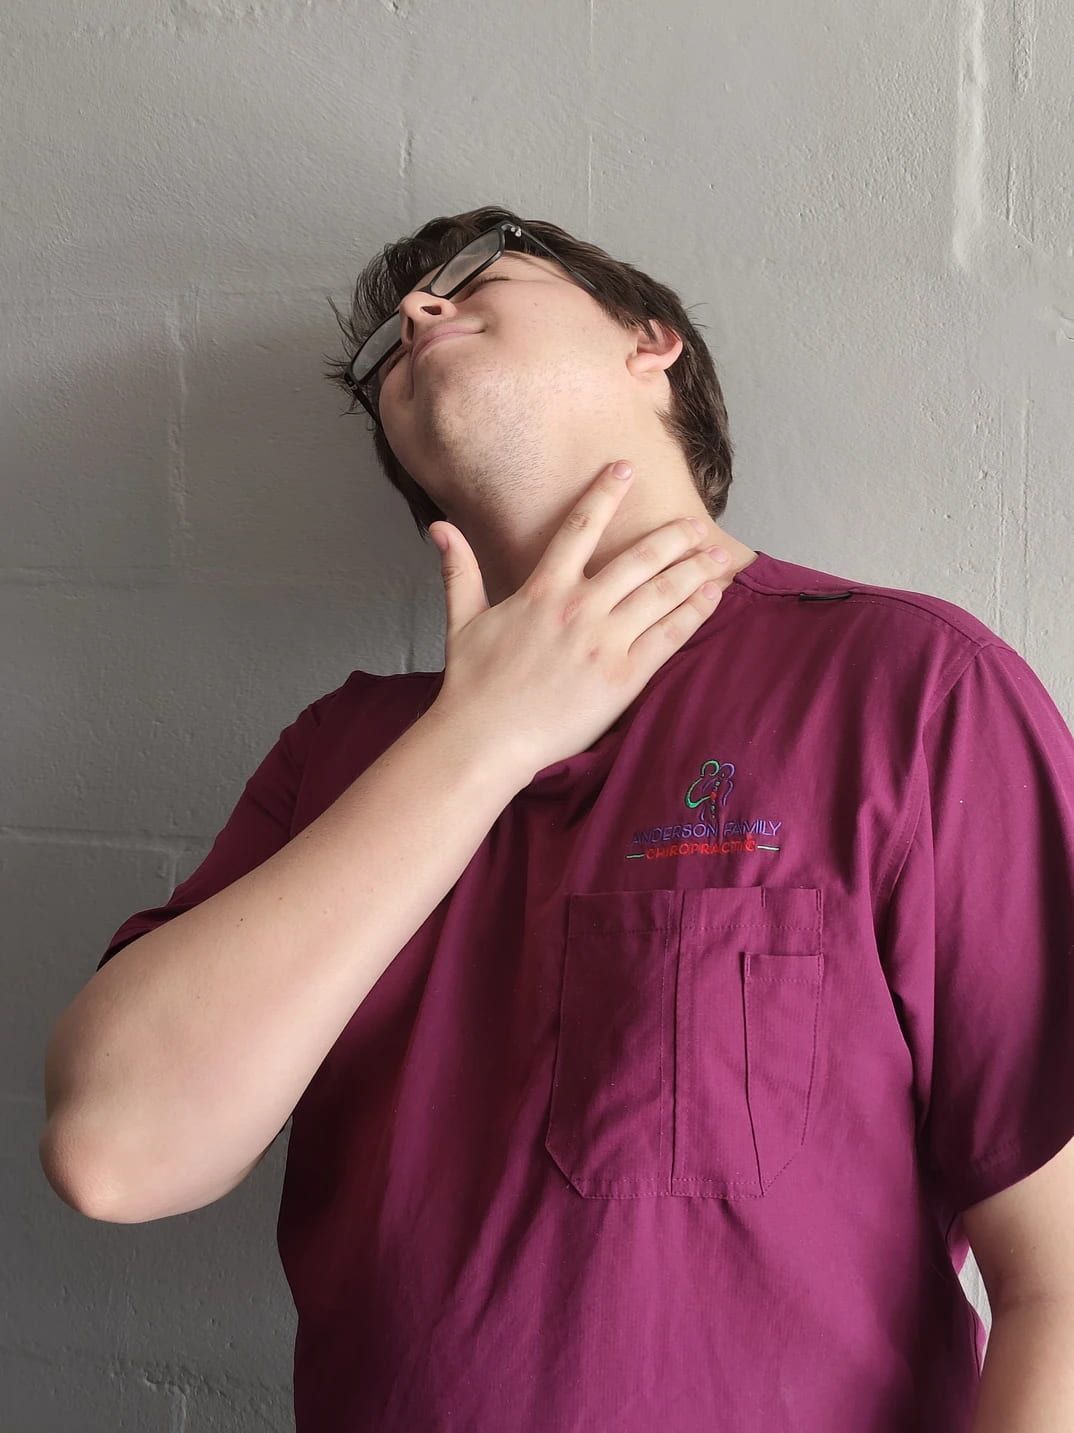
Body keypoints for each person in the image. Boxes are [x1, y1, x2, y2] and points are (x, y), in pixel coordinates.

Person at [42, 207, 1074, 1432]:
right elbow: (116, 1150)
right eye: (382, 350)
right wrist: (486, 735)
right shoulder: (339, 751)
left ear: (654, 341)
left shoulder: (907, 684)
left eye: (473, 279)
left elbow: (1058, 1281)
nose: (414, 318)